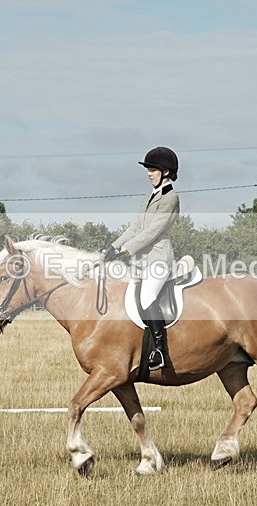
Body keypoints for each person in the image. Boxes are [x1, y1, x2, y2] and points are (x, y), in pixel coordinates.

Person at [101, 147, 180, 370]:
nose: (149, 173)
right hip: (142, 261)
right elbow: (136, 226)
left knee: (146, 298)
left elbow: (154, 230)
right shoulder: (149, 196)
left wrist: (127, 248)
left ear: (166, 172)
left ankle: (159, 350)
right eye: (148, 169)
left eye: (153, 169)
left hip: (158, 259)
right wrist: (113, 246)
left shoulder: (171, 198)